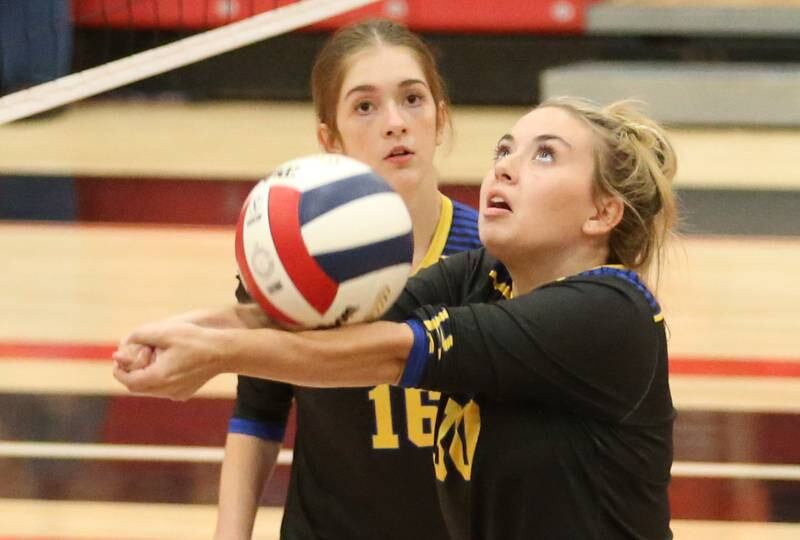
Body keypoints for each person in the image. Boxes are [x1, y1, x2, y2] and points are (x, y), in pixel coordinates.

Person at [114, 96, 678, 539]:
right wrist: (189, 331)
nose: (505, 169)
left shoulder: (610, 315)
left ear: (602, 212)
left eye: (544, 155)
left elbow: (388, 351)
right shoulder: (480, 277)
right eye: (504, 150)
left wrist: (215, 355)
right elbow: (331, 324)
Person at [129, 19, 480, 540]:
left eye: (412, 99)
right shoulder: (288, 260)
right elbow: (258, 414)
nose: (394, 122)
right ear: (329, 139)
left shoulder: (491, 256)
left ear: (440, 118)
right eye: (365, 106)